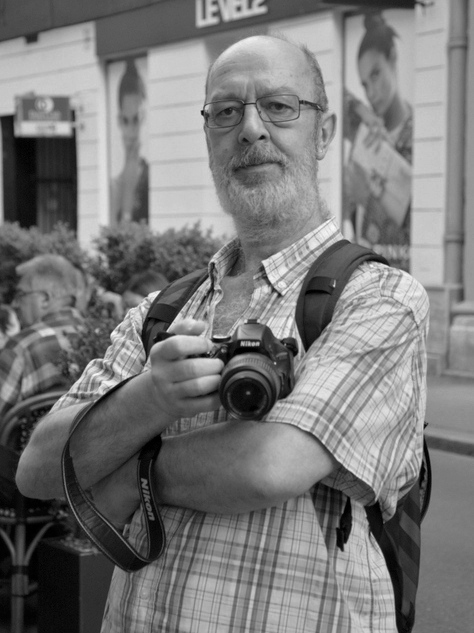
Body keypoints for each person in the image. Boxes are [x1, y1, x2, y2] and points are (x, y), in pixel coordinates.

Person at [17, 34, 429, 633]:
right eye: (227, 112)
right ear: (209, 137)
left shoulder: (380, 298)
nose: (251, 129)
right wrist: (150, 397)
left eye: (280, 106)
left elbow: (269, 465)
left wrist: (124, 472)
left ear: (323, 133)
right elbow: (37, 469)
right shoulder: (164, 310)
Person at [343, 12, 412, 270]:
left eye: (376, 74)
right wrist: (360, 109)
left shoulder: (417, 135)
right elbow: (327, 89)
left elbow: (418, 224)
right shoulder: (363, 134)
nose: (371, 93)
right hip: (363, 271)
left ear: (393, 58)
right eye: (364, 84)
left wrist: (366, 197)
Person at [0, 254, 84, 424]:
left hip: (35, 440)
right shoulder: (105, 336)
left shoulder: (21, 346)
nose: (15, 304)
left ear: (45, 298)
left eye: (21, 294)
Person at [110, 57, 149, 225]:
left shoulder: (149, 176)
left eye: (136, 119)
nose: (131, 131)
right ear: (119, 121)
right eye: (126, 121)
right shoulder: (114, 186)